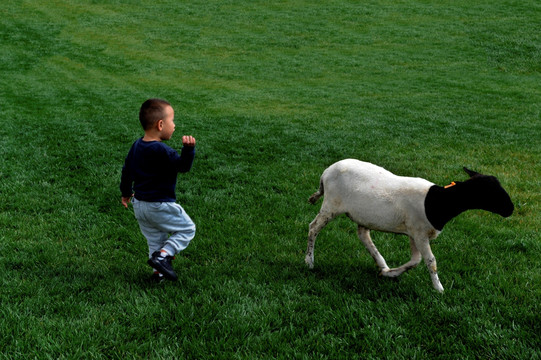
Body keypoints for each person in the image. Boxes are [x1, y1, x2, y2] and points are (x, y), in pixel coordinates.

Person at [120, 98, 196, 282]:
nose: (174, 125)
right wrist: (188, 150)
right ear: (160, 124)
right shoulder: (163, 151)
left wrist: (125, 192)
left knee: (155, 239)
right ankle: (163, 256)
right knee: (187, 229)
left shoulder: (137, 146)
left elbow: (127, 170)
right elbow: (183, 167)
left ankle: (158, 273)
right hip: (159, 205)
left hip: (140, 206)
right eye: (172, 121)